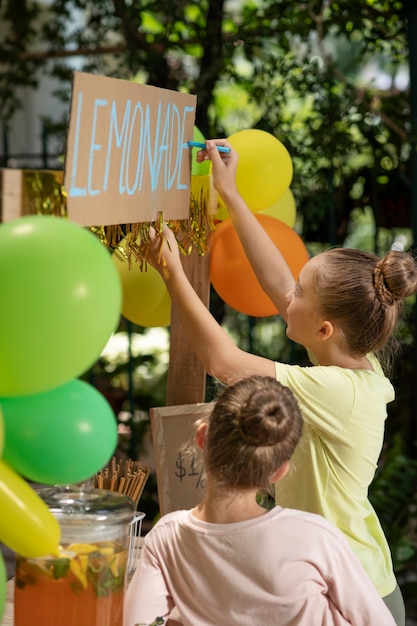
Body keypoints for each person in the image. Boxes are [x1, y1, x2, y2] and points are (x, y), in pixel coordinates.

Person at [144, 139, 417, 626]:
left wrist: (172, 273)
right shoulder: (355, 363)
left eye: (301, 292)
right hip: (329, 577)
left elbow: (222, 360)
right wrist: (230, 192)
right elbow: (275, 280)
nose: (287, 294)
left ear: (324, 329)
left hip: (349, 594)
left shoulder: (336, 391)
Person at [124, 375, 396, 626]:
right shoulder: (316, 537)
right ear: (279, 471)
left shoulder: (165, 538)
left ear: (202, 437)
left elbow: (136, 623)